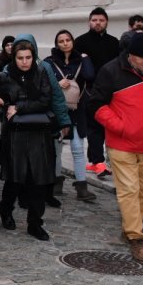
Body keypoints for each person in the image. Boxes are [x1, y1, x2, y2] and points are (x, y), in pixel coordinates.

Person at [85, 33, 143, 264]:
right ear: (130, 54)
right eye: (140, 58)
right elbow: (96, 104)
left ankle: (130, 228)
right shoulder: (111, 71)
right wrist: (121, 127)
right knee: (129, 189)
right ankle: (137, 238)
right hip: (122, 143)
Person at [0, 40, 57, 241]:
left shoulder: (41, 73)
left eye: (28, 58)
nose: (24, 62)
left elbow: (45, 100)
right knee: (15, 178)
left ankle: (35, 222)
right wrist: (14, 106)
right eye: (20, 58)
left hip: (39, 133)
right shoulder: (5, 76)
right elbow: (4, 103)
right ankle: (6, 209)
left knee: (38, 180)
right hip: (15, 135)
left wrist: (21, 107)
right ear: (14, 58)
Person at [47, 30, 97, 202]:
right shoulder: (51, 61)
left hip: (77, 110)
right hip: (58, 110)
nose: (65, 43)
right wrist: (57, 82)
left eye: (68, 40)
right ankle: (56, 183)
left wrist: (84, 58)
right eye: (61, 41)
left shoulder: (80, 59)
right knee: (57, 148)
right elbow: (43, 81)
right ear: (57, 43)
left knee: (77, 148)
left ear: (72, 41)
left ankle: (82, 186)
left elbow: (90, 75)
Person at [76, 8, 121, 175]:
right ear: (89, 22)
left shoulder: (114, 42)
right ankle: (98, 161)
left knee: (109, 125)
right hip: (90, 90)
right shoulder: (80, 42)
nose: (97, 23)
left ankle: (100, 160)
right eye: (94, 20)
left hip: (112, 90)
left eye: (101, 20)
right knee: (94, 127)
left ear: (106, 22)